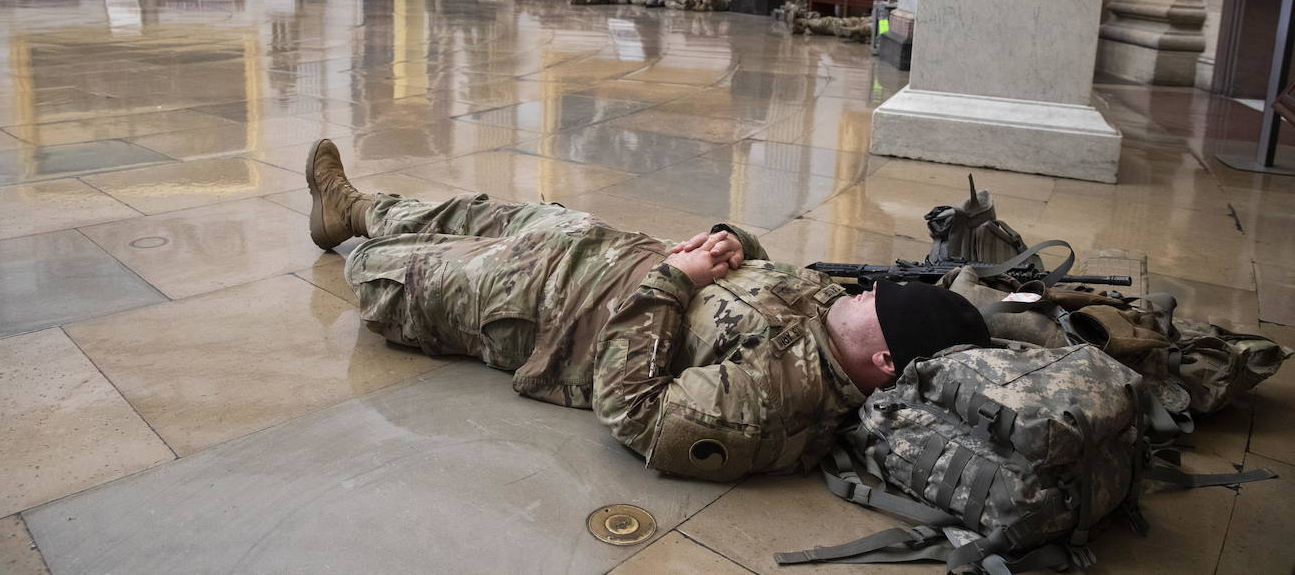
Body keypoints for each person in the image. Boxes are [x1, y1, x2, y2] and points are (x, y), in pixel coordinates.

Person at [305, 139, 991, 481]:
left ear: (882, 361)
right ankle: (352, 208)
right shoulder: (832, 308)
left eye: (882, 304)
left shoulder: (782, 398)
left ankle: (360, 240)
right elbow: (762, 277)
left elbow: (636, 412)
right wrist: (734, 242)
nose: (867, 291)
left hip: (544, 311)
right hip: (596, 248)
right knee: (475, 211)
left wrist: (671, 280)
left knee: (391, 274)